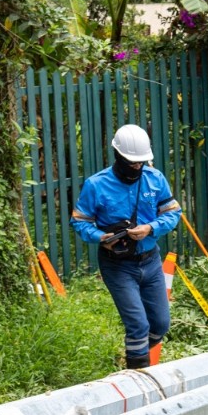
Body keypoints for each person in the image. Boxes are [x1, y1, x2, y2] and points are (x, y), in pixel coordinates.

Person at [71, 124, 182, 369]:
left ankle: (135, 354)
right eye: (132, 162)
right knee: (138, 325)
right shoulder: (96, 185)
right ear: (118, 156)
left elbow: (173, 214)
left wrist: (150, 228)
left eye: (141, 162)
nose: (137, 167)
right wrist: (101, 237)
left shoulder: (155, 179)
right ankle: (138, 374)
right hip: (118, 266)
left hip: (151, 262)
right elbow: (79, 222)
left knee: (160, 324)